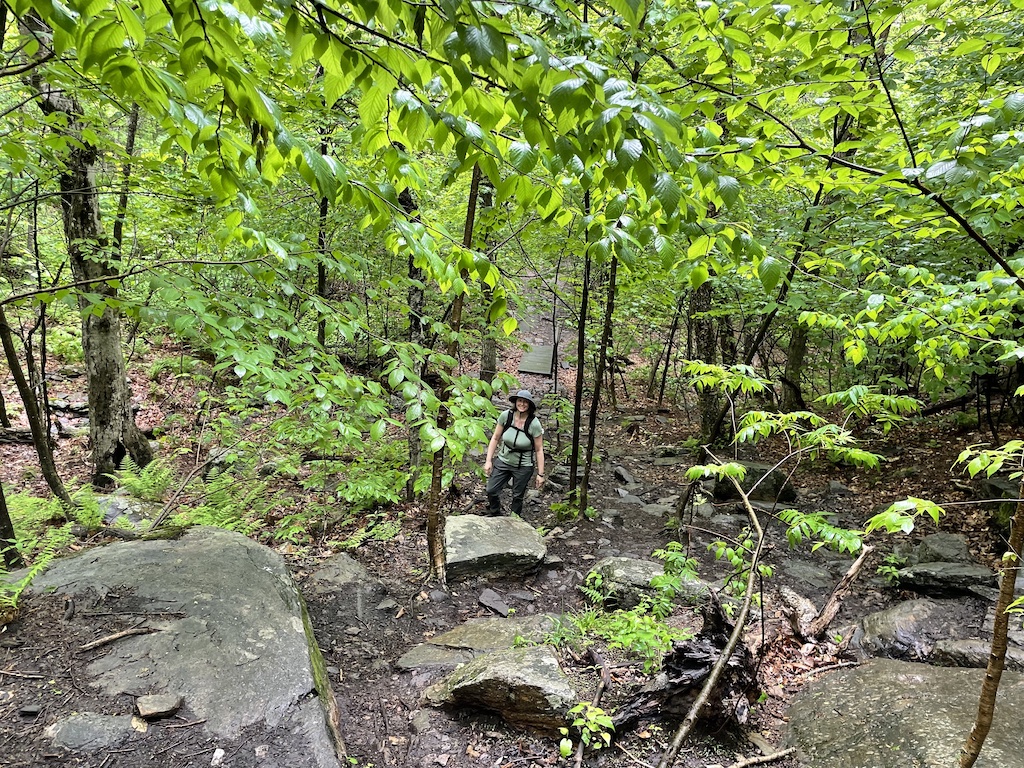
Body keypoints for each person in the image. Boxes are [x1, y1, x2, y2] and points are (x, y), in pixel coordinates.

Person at [484, 389, 545, 516]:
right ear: (516, 402)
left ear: (530, 405)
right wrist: (488, 460)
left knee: (517, 496)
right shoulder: (506, 416)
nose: (522, 404)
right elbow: (495, 438)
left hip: (523, 465)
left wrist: (540, 474)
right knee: (491, 490)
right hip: (503, 460)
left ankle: (514, 521)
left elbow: (539, 450)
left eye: (525, 402)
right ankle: (495, 512)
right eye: (520, 401)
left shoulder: (534, 424)